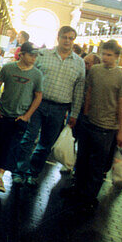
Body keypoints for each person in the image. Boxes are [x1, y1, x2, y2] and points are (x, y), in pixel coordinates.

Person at [14, 26, 85, 185]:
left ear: (74, 40)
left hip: (60, 109)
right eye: (64, 37)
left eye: (71, 38)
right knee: (28, 138)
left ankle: (33, 172)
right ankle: (19, 171)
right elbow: (29, 75)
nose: (67, 41)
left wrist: (74, 114)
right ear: (58, 37)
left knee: (46, 144)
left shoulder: (79, 63)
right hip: (37, 104)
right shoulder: (42, 55)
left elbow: (79, 91)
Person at [66, 39, 122, 214]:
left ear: (117, 56)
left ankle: (89, 196)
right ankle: (77, 188)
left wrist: (120, 131)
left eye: (109, 55)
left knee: (97, 165)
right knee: (82, 159)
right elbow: (89, 92)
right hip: (89, 123)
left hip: (107, 128)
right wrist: (85, 114)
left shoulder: (121, 77)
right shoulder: (94, 70)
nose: (105, 57)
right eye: (103, 54)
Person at [0, 41, 43, 192]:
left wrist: (27, 116)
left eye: (35, 56)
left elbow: (38, 96)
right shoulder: (8, 68)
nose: (33, 58)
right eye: (31, 55)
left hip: (19, 118)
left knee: (11, 147)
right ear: (22, 54)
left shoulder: (37, 75)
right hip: (3, 114)